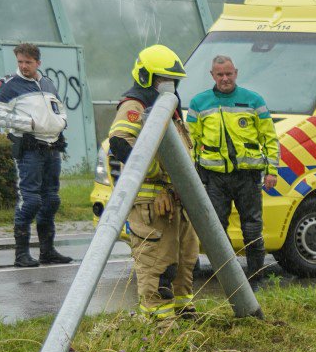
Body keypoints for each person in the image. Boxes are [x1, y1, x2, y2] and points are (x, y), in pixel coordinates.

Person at [106, 45, 199, 322]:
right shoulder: (135, 105)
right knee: (156, 263)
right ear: (146, 77)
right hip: (152, 203)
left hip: (176, 199)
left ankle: (183, 314)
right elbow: (121, 143)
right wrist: (157, 177)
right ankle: (158, 324)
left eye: (173, 81)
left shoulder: (169, 107)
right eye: (163, 81)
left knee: (184, 261)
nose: (169, 87)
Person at [187, 55, 279, 278]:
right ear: (212, 75)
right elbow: (190, 141)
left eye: (229, 74)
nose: (225, 78)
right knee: (216, 229)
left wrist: (271, 171)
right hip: (213, 177)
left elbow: (269, 138)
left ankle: (256, 277)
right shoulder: (198, 103)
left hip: (247, 176)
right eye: (220, 75)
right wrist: (192, 174)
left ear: (236, 73)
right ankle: (232, 276)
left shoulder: (254, 100)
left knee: (252, 228)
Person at [0, 43, 73, 267]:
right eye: (20, 62)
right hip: (29, 150)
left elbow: (60, 109)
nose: (23, 66)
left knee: (52, 199)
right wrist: (28, 123)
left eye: (28, 62)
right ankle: (21, 254)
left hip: (52, 147)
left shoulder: (47, 82)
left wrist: (61, 122)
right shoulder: (10, 85)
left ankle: (47, 251)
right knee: (30, 201)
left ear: (38, 62)